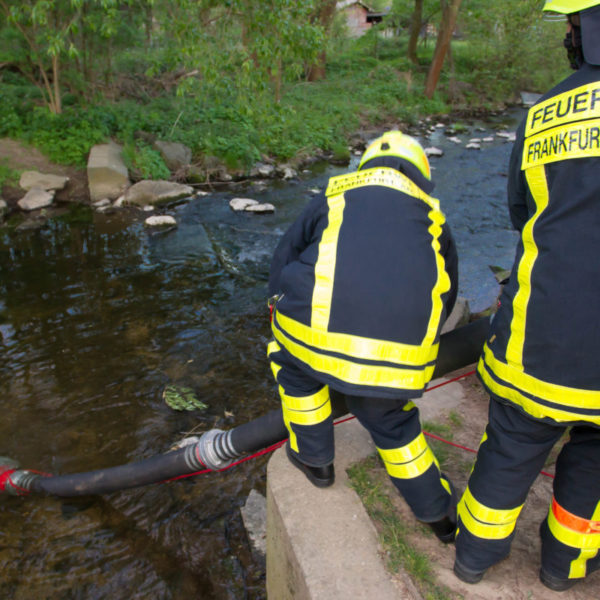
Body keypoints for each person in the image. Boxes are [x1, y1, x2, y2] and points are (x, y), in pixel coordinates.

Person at [453, 1, 600, 591]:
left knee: (510, 448)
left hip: (540, 338)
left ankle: (472, 559)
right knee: (592, 462)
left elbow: (521, 213)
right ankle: (562, 569)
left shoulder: (544, 116)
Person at [267, 130, 460, 542]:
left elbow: (285, 256)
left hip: (312, 337)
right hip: (396, 356)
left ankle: (315, 459)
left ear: (367, 165)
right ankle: (438, 515)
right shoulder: (433, 215)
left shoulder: (335, 193)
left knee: (294, 369)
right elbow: (447, 290)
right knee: (392, 423)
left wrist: (276, 301)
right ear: (421, 175)